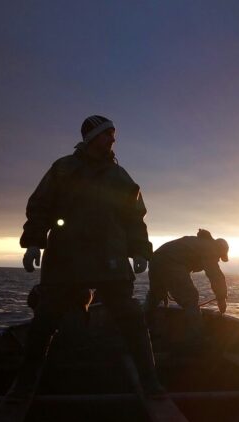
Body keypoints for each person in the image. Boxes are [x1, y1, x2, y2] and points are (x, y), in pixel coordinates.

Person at [20, 115, 162, 394]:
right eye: (106, 133)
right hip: (66, 257)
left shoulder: (120, 176)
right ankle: (25, 381)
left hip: (111, 257)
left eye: (113, 134)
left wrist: (140, 251)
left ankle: (150, 380)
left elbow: (135, 218)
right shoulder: (62, 169)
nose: (112, 139)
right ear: (91, 137)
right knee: (47, 316)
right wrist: (34, 243)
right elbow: (40, 206)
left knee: (130, 317)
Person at [144, 229, 229, 348]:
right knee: (190, 298)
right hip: (170, 262)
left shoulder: (199, 243)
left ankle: (142, 328)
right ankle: (197, 339)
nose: (218, 259)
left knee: (155, 296)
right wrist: (221, 298)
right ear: (220, 250)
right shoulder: (211, 248)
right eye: (220, 257)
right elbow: (215, 275)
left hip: (155, 260)